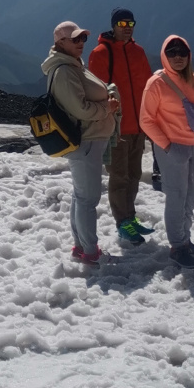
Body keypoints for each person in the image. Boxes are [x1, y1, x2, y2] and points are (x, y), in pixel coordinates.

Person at [41, 20, 121, 266]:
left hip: (88, 139)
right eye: (74, 39)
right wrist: (106, 107)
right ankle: (90, 251)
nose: (80, 43)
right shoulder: (65, 71)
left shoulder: (73, 66)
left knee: (81, 196)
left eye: (82, 38)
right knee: (88, 199)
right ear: (59, 42)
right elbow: (81, 109)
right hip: (86, 139)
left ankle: (81, 246)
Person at [139, 36, 194, 268]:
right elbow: (146, 120)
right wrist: (168, 147)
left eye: (182, 52)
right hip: (172, 147)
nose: (178, 56)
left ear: (189, 54)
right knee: (176, 196)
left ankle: (185, 240)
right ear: (165, 56)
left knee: (192, 194)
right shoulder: (156, 83)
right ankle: (177, 247)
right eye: (172, 52)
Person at [88, 8, 155, 247]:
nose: (126, 27)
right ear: (114, 25)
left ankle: (130, 217)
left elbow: (149, 86)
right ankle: (122, 223)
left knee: (134, 175)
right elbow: (95, 91)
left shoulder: (138, 52)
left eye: (130, 23)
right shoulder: (101, 53)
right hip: (115, 127)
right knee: (119, 176)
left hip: (138, 126)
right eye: (122, 23)